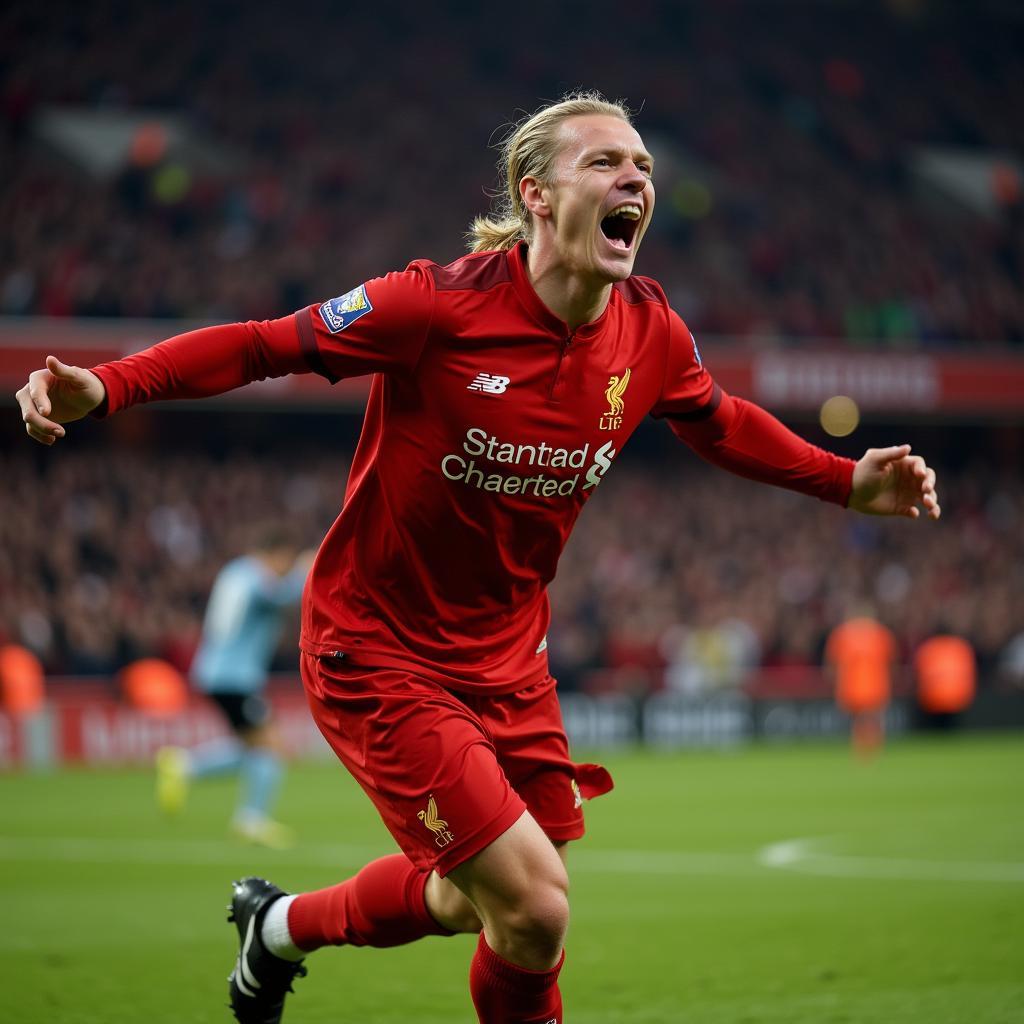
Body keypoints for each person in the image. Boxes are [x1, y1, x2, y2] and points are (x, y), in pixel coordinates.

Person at [15, 91, 941, 1024]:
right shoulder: (436, 303)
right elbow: (264, 346)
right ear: (535, 194)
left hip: (509, 661)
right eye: (607, 163)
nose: (636, 180)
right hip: (377, 650)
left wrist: (843, 480)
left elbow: (721, 421)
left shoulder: (649, 332)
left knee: (483, 906)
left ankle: (279, 928)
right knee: (536, 908)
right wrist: (110, 384)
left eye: (645, 167)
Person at [156, 527, 313, 849]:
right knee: (270, 747)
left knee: (254, 750)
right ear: (275, 553)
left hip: (219, 672)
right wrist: (305, 573)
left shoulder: (236, 572)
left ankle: (185, 766)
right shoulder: (255, 577)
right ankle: (251, 819)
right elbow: (280, 596)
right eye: (285, 560)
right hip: (233, 677)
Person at [825, 610, 898, 758]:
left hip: (853, 686)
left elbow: (831, 666)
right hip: (874, 685)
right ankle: (872, 751)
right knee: (871, 718)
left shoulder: (842, 633)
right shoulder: (881, 633)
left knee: (860, 719)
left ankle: (861, 751)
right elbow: (893, 663)